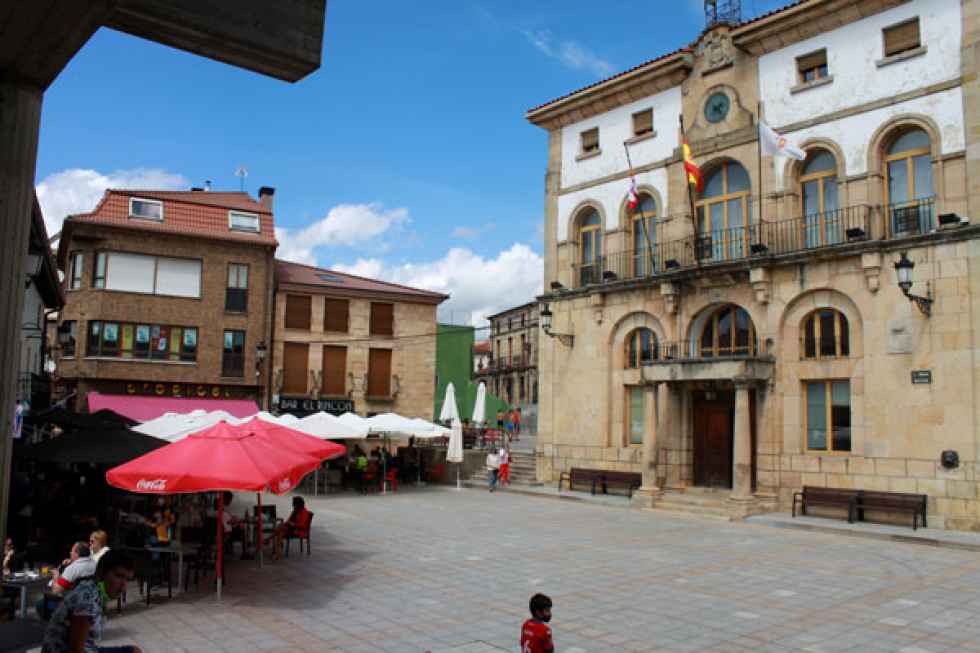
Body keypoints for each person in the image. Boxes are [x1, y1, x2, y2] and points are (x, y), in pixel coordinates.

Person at [41, 548, 143, 653]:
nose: (123, 585)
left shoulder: (93, 589)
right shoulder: (87, 599)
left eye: (127, 579)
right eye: (119, 576)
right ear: (101, 572)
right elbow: (76, 650)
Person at [38, 542, 96, 620]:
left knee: (40, 604)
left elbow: (56, 591)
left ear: (77, 553)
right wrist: (72, 562)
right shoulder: (94, 564)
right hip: (90, 601)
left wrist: (56, 576)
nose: (70, 553)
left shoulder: (72, 569)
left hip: (72, 603)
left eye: (72, 551)